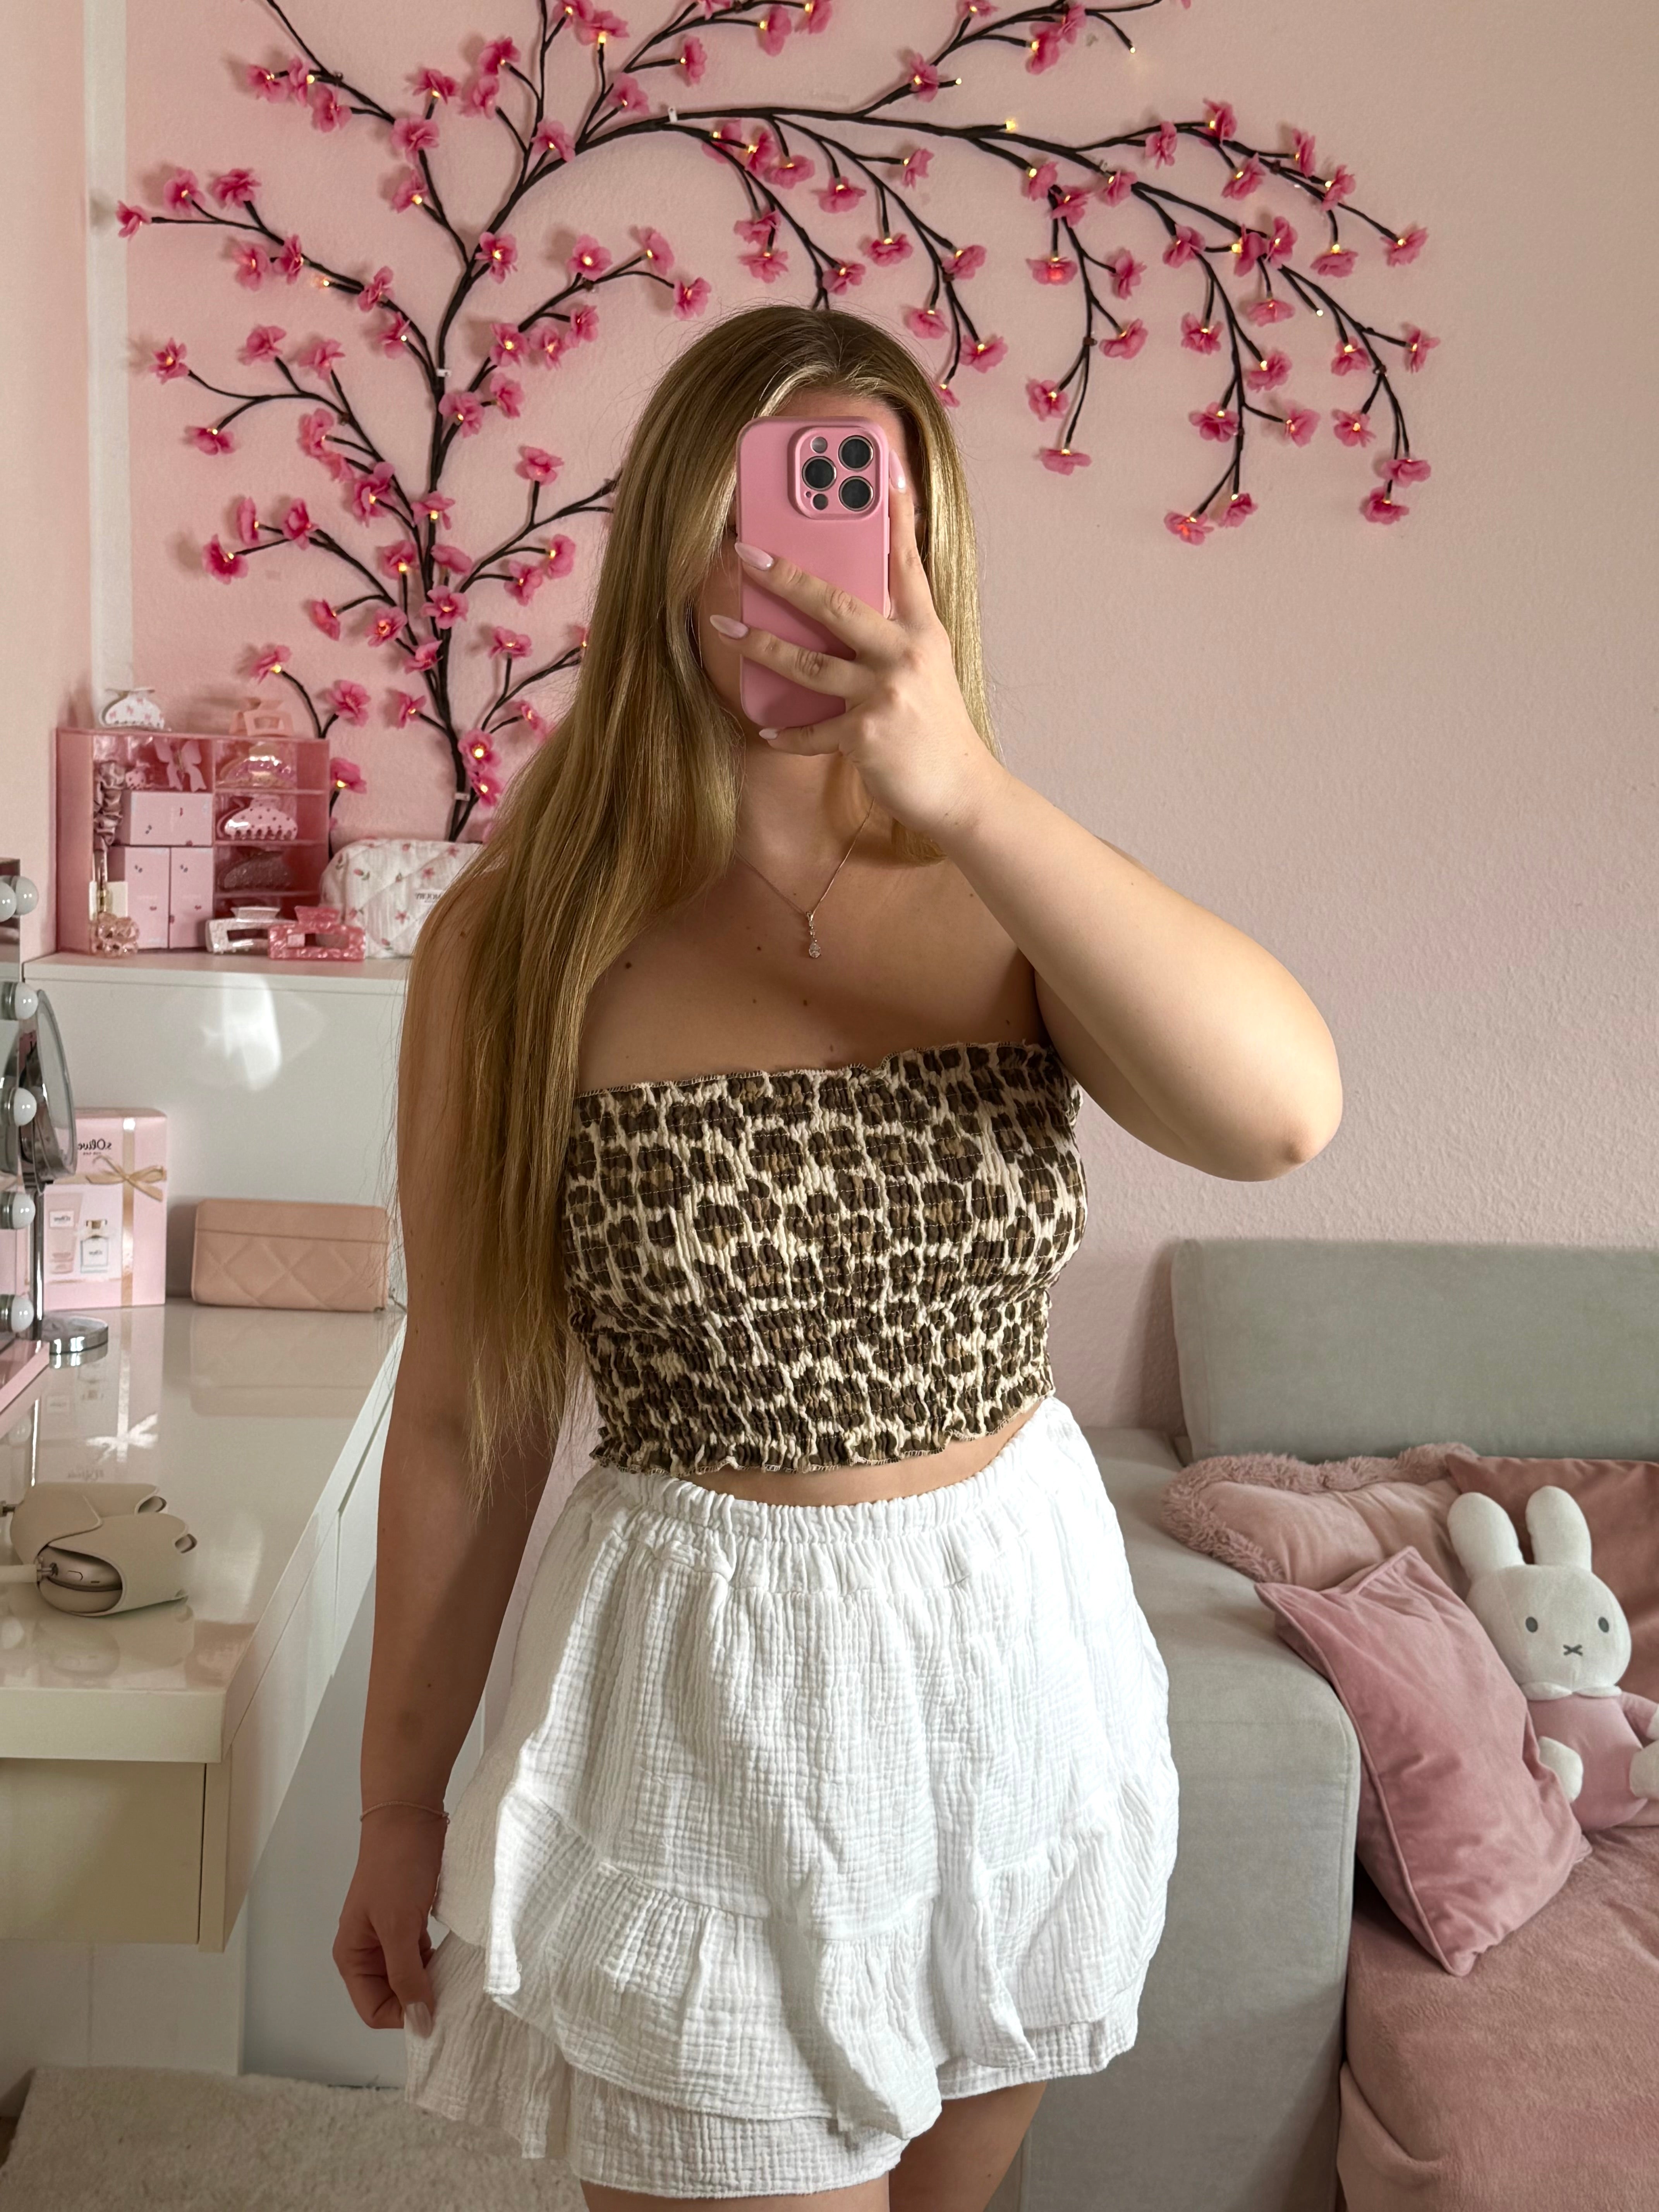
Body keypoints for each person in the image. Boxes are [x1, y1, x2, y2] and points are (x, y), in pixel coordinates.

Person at [333, 302, 1342, 2212]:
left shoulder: (1012, 892)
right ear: (664, 549)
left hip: (1010, 1662)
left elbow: (1281, 1114)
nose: (788, 575)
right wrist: (398, 1804)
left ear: (923, 555)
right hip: (710, 1704)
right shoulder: (524, 941)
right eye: (746, 518)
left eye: (845, 513)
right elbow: (470, 1414)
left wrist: (967, 793)